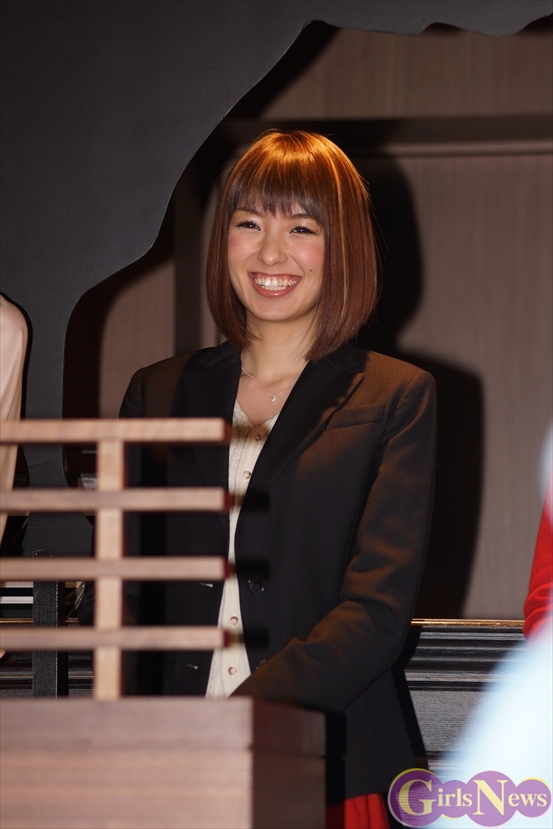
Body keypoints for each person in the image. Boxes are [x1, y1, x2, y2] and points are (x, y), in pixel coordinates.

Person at [120, 131, 436, 829]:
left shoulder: (394, 395)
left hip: (330, 760)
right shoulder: (158, 390)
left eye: (301, 228)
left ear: (342, 247)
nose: (270, 254)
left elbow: (377, 610)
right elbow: (125, 587)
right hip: (169, 760)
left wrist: (245, 716)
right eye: (249, 224)